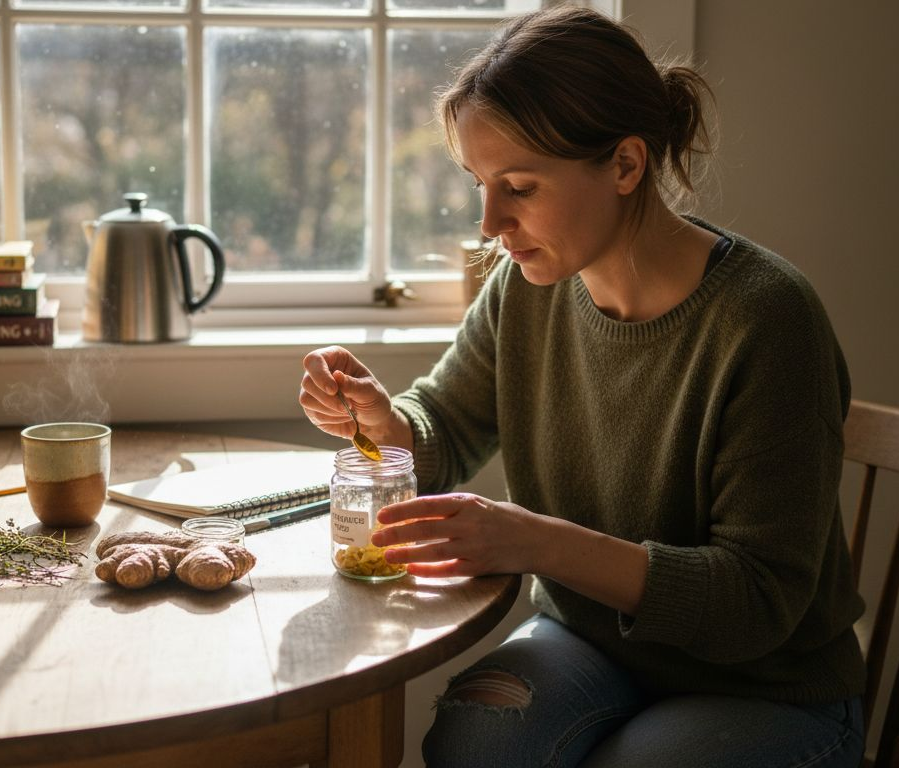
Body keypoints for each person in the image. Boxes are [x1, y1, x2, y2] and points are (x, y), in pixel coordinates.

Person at [298, 6, 866, 767]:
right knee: (475, 741)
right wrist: (386, 425)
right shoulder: (525, 286)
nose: (490, 221)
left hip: (765, 687)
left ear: (626, 165)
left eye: (520, 188)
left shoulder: (767, 320)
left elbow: (755, 602)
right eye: (479, 184)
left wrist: (533, 540)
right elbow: (445, 425)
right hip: (590, 645)